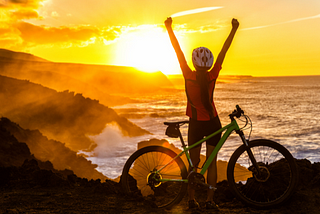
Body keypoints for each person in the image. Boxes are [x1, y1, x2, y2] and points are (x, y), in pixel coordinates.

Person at [164, 17, 239, 209]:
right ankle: (210, 201)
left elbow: (177, 50)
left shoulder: (188, 76)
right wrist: (233, 29)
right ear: (208, 64)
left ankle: (191, 200)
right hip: (213, 123)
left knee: (194, 164)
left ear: (194, 64)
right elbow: (224, 50)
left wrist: (169, 28)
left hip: (196, 125)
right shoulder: (213, 75)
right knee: (211, 163)